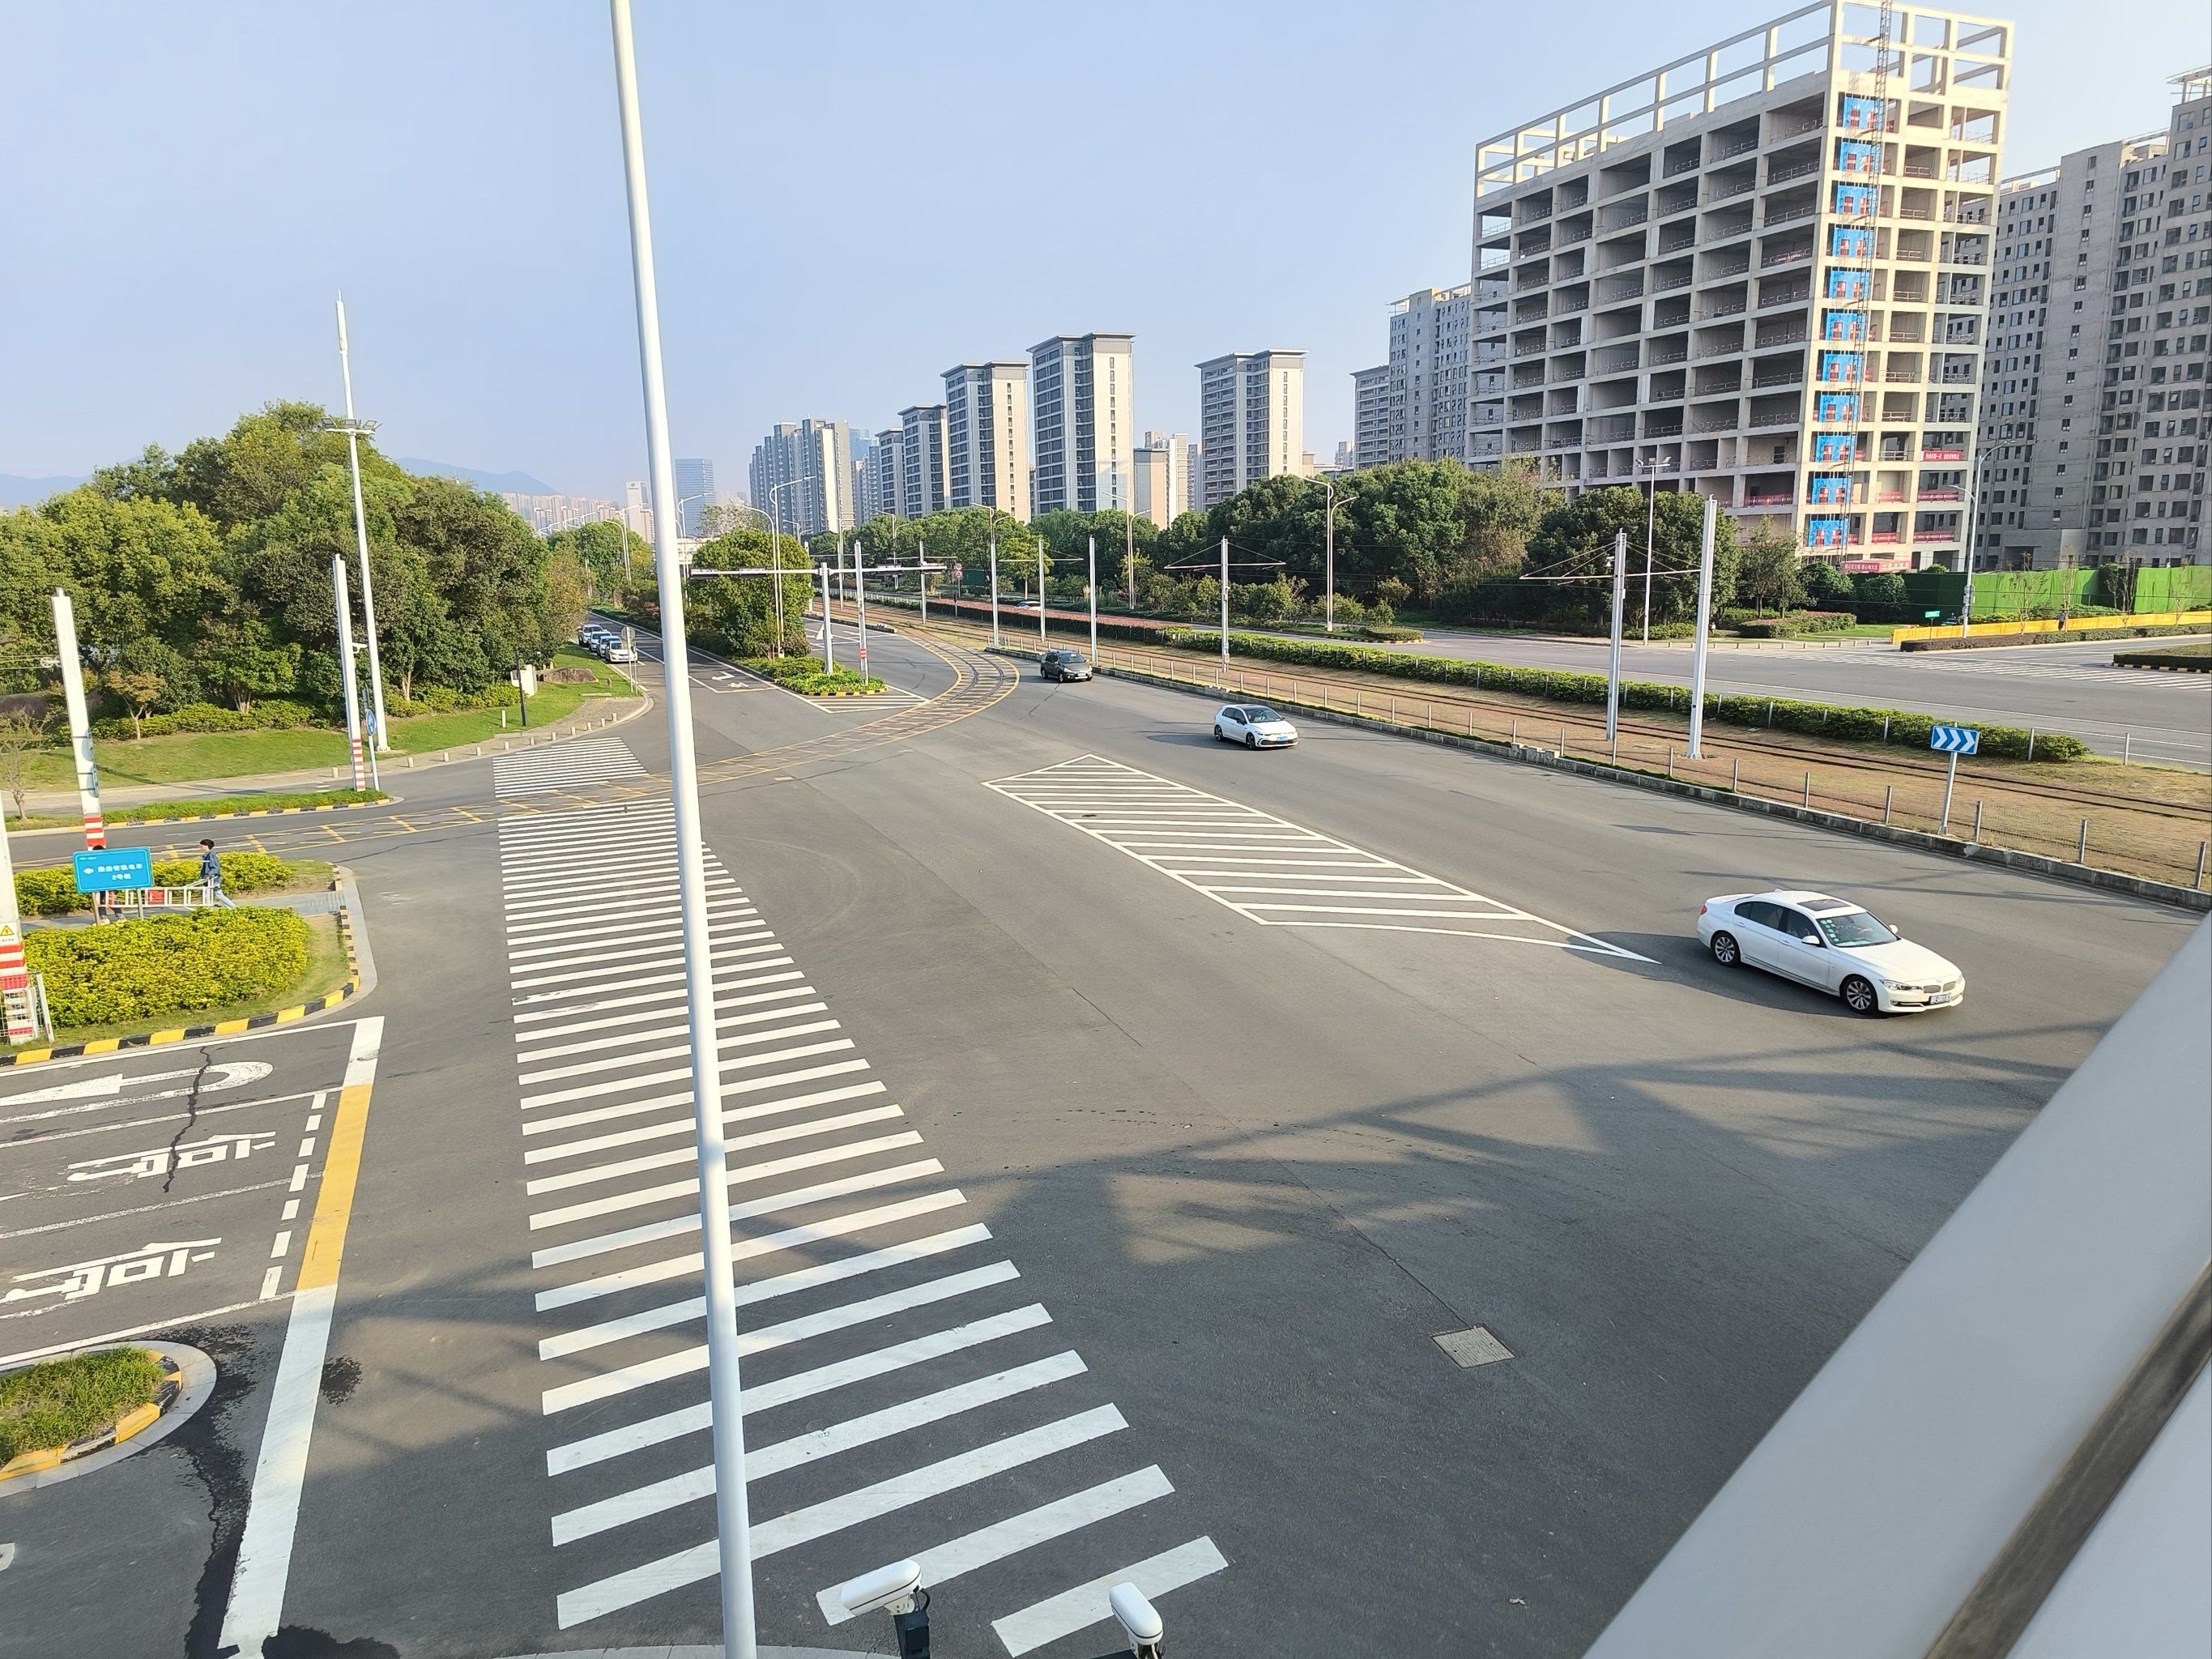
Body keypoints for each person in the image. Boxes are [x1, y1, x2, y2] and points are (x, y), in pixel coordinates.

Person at [198, 838, 234, 908]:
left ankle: (235, 908)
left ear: (206, 846)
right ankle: (206, 909)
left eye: (201, 846)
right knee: (207, 894)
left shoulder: (211, 855)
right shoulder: (208, 855)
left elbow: (215, 867)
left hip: (213, 879)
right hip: (211, 879)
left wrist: (208, 875)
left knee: (218, 894)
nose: (201, 847)